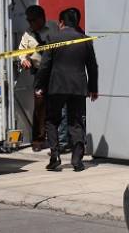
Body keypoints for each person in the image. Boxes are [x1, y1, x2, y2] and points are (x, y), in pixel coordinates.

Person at [35, 9, 98, 172]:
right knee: (76, 122)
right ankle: (77, 160)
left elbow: (45, 65)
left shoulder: (53, 38)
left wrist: (39, 85)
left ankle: (55, 156)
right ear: (77, 22)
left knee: (52, 120)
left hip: (57, 86)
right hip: (78, 87)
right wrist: (93, 88)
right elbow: (92, 66)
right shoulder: (85, 40)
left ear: (61, 22)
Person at [18, 5, 58, 151]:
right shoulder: (28, 34)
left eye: (33, 21)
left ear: (42, 19)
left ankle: (57, 139)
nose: (30, 24)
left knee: (56, 105)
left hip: (55, 72)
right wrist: (23, 60)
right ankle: (38, 140)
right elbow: (21, 51)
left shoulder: (53, 28)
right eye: (29, 21)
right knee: (39, 106)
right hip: (39, 73)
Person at [56, 7, 84, 155]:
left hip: (63, 82)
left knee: (65, 113)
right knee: (76, 115)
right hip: (78, 82)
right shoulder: (82, 35)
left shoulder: (60, 37)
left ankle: (64, 143)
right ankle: (77, 144)